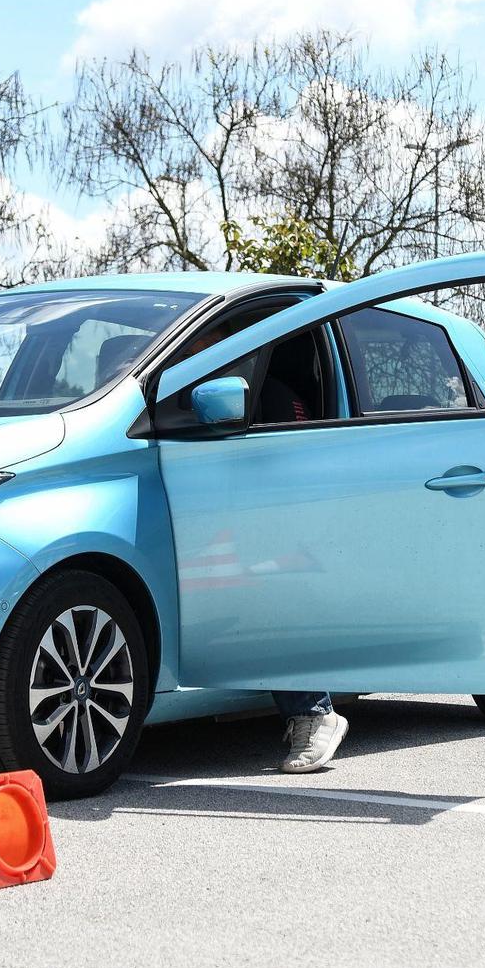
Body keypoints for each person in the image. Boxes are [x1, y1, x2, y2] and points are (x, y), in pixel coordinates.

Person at [176, 314, 350, 775]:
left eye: (203, 352)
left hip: (296, 529)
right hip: (224, 524)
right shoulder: (196, 403)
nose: (194, 367)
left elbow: (298, 493)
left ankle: (314, 711)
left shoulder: (274, 399)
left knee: (269, 578)